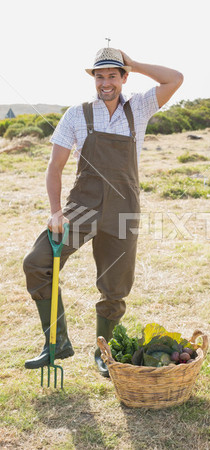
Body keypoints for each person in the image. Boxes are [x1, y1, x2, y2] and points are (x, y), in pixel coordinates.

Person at [23, 47, 183, 377]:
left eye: (113, 75)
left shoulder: (138, 108)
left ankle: (103, 352)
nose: (105, 82)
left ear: (124, 78)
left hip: (124, 209)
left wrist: (134, 63)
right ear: (93, 79)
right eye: (99, 75)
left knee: (115, 285)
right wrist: (56, 212)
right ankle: (56, 342)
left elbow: (175, 79)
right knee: (37, 262)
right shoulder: (77, 115)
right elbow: (55, 167)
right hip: (82, 207)